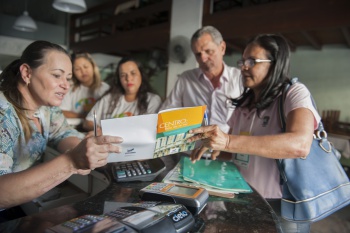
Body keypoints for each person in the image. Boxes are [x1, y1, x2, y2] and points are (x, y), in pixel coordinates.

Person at [188, 34, 320, 232]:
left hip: (283, 205)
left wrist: (227, 141)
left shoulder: (293, 94)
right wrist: (214, 148)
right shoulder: (244, 104)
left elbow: (300, 145)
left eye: (252, 61)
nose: (243, 67)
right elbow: (237, 151)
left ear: (274, 64)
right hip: (244, 197)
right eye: (243, 61)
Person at [0, 41, 123, 216]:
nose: (66, 85)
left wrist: (85, 147)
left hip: (23, 203)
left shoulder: (47, 108)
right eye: (57, 75)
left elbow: (62, 133)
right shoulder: (3, 114)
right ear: (27, 73)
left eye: (68, 78)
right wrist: (71, 161)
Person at [160, 25, 243, 133]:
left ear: (222, 48)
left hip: (226, 147)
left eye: (208, 51)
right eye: (198, 54)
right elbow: (166, 114)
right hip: (192, 146)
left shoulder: (240, 78)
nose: (203, 58)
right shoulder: (186, 79)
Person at [83, 57, 162, 131]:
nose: (128, 79)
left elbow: (151, 130)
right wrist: (102, 131)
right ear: (119, 79)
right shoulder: (108, 98)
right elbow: (88, 122)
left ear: (141, 75)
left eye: (133, 73)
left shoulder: (152, 100)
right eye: (123, 75)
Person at [60, 52, 109, 120]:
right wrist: (85, 117)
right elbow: (62, 111)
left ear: (93, 66)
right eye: (77, 69)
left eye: (85, 67)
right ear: (73, 72)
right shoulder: (70, 89)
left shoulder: (105, 89)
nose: (83, 71)